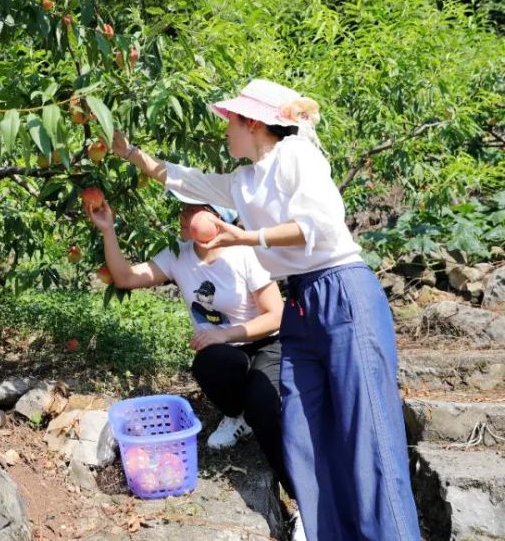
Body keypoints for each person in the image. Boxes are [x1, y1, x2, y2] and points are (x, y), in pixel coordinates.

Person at [111, 79, 420, 541]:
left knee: (368, 432)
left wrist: (246, 238)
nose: (224, 131)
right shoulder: (245, 181)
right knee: (304, 433)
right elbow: (184, 179)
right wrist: (130, 152)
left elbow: (317, 225)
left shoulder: (296, 156)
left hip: (341, 290)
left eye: (230, 120)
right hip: (300, 302)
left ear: (253, 122)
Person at [86, 193, 299, 518]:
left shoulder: (245, 254)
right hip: (225, 351)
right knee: (210, 362)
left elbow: (276, 315)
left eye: (193, 209)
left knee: (264, 408)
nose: (182, 215)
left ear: (219, 218)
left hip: (266, 342)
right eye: (182, 208)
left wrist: (224, 333)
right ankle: (235, 414)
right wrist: (108, 230)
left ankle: (301, 497)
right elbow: (125, 278)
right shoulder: (178, 255)